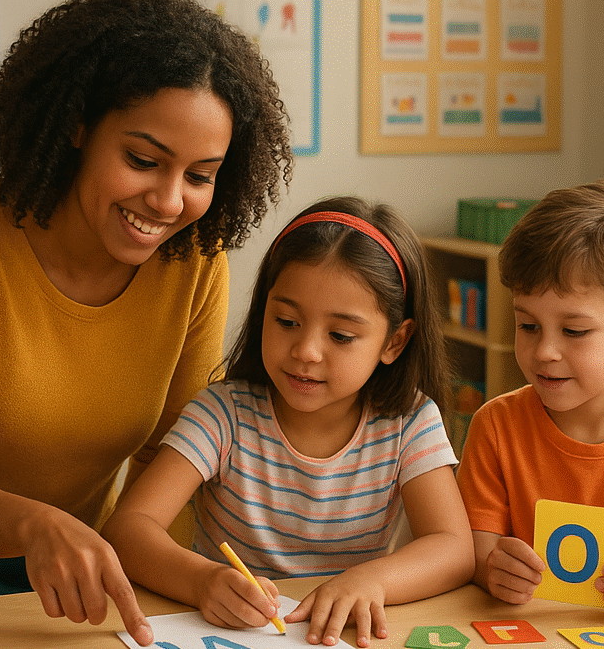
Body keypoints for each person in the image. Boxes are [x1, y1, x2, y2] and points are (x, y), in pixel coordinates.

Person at [0, 0, 292, 646]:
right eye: (143, 160)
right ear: (76, 124)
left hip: (75, 579)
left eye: (201, 175)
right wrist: (38, 525)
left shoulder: (196, 265)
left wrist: (180, 576)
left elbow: (172, 457)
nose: (170, 200)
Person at [102, 196, 475, 648]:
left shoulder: (409, 422)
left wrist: (370, 580)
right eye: (286, 321)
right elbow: (128, 528)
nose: (306, 351)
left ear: (394, 342)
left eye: (340, 335)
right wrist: (201, 581)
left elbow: (454, 548)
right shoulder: (223, 414)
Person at [455, 179, 604, 616]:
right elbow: (472, 550)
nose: (544, 351)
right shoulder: (495, 425)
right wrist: (491, 567)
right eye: (528, 326)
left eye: (574, 331)